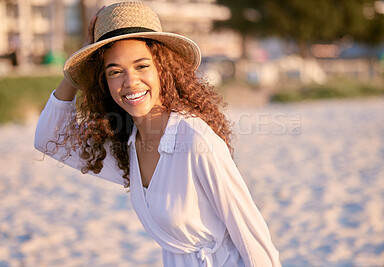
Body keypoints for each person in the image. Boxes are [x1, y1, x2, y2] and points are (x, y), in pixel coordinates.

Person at [34, 2, 281, 266]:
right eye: (115, 71)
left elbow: (256, 244)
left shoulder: (197, 142)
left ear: (163, 69)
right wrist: (77, 68)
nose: (130, 82)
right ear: (104, 82)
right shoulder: (127, 147)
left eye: (142, 66)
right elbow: (49, 140)